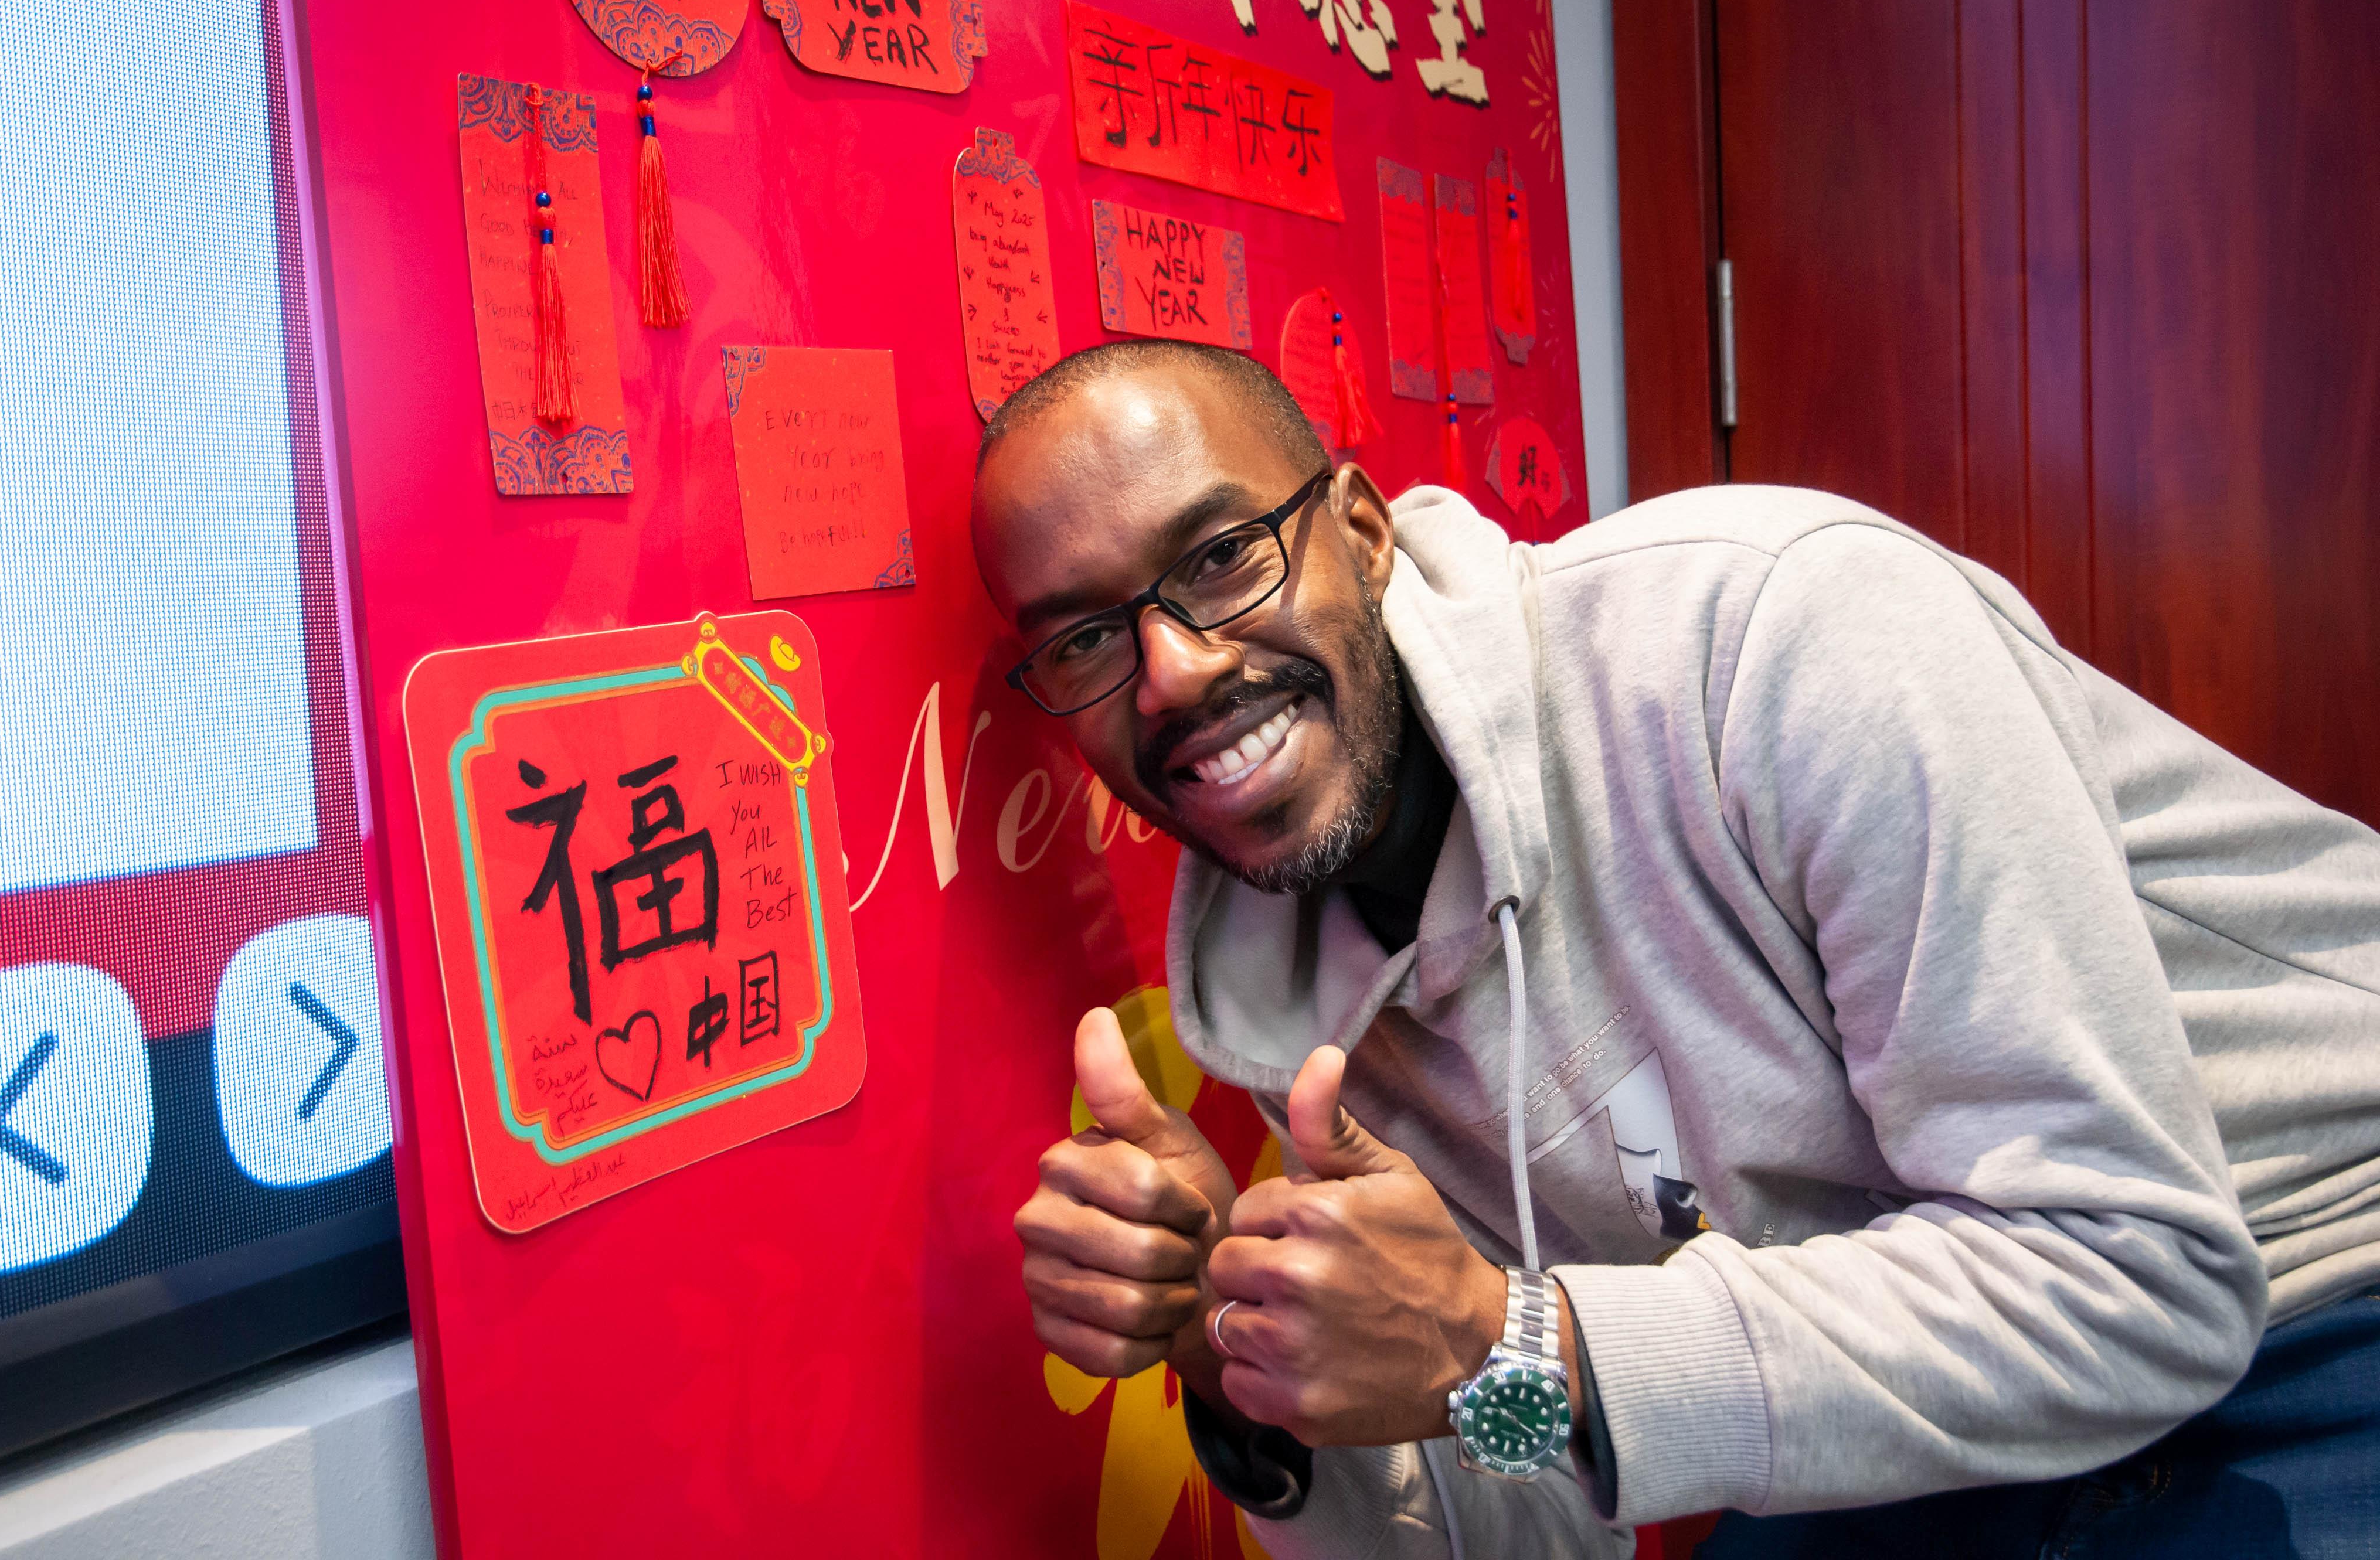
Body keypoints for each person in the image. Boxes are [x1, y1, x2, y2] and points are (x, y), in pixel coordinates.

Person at [973, 339, 2380, 1559]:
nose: (1173, 670)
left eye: (1222, 557)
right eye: (1086, 639)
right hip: (1929, 1392)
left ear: (1361, 530)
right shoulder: (1307, 1021)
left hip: (2310, 1284)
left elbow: (2139, 1274)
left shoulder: (1778, 630)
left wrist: (1516, 1338)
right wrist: (1233, 1352)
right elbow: (1535, 1477)